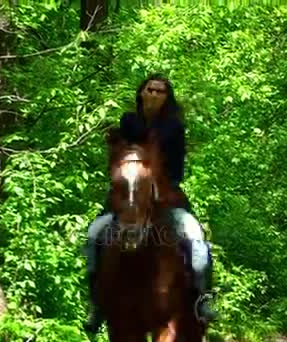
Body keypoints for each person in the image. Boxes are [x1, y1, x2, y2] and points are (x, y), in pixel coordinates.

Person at [83, 74, 218, 333]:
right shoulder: (128, 119)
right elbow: (125, 147)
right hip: (126, 193)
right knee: (93, 235)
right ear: (141, 93)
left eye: (160, 91)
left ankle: (203, 300)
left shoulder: (174, 126)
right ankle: (97, 306)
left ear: (167, 98)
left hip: (167, 197)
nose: (154, 95)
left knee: (196, 239)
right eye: (150, 90)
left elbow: (173, 164)